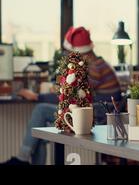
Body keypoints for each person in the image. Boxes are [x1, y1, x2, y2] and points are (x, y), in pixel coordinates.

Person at [3, 26, 121, 165]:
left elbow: (71, 97)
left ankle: (21, 159)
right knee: (40, 133)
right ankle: (22, 159)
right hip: (93, 113)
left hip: (98, 117)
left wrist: (37, 96)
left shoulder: (93, 68)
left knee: (41, 110)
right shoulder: (97, 64)